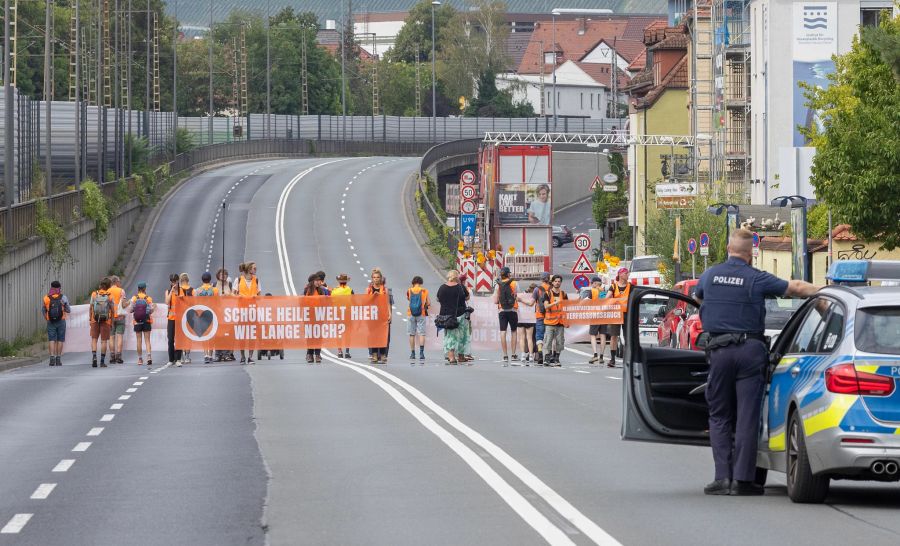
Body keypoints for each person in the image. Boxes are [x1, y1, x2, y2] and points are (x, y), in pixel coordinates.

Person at [696, 229, 819, 496]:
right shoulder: (756, 277)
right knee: (747, 417)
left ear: (728, 248)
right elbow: (796, 288)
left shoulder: (709, 275)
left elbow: (698, 297)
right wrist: (824, 293)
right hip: (750, 351)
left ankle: (721, 479)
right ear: (751, 254)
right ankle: (742, 480)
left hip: (719, 351)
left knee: (719, 415)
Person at [493, 266, 528, 365]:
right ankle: (513, 354)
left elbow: (495, 301)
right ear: (509, 274)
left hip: (502, 311)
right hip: (513, 310)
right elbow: (516, 296)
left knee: (503, 332)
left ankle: (505, 355)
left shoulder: (497, 285)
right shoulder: (514, 283)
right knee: (513, 331)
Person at [437, 270, 469, 364]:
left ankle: (450, 355)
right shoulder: (459, 287)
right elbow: (466, 297)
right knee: (461, 336)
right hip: (458, 314)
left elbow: (438, 298)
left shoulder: (442, 287)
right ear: (456, 277)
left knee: (449, 335)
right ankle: (458, 356)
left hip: (445, 316)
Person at [604, 267, 631, 368]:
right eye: (626, 273)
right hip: (616, 314)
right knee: (614, 336)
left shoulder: (631, 286)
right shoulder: (613, 286)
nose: (628, 275)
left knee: (627, 337)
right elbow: (607, 298)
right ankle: (612, 359)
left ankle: (628, 358)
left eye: (628, 274)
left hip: (627, 314)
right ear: (620, 275)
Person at [124, 281, 155, 367]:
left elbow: (130, 310)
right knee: (147, 340)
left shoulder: (134, 298)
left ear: (138, 289)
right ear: (145, 289)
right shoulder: (148, 298)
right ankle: (149, 357)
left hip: (137, 321)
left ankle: (140, 359)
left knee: (139, 340)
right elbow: (151, 310)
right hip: (146, 321)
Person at [236, 262, 261, 364]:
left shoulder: (257, 280)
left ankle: (250, 357)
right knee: (242, 334)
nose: (256, 270)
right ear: (249, 269)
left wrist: (256, 297)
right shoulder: (238, 280)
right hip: (241, 311)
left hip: (253, 311)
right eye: (254, 268)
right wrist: (239, 297)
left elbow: (260, 295)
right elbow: (233, 294)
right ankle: (242, 356)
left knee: (252, 335)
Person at [541, 274, 568, 366]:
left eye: (559, 281)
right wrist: (555, 302)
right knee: (548, 341)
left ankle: (556, 358)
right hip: (549, 322)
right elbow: (546, 306)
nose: (557, 283)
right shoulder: (547, 293)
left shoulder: (563, 294)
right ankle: (547, 358)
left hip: (560, 322)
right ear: (552, 282)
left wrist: (566, 321)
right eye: (555, 281)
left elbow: (566, 308)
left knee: (560, 342)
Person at [43, 280, 71, 366]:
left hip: (50, 321)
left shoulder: (46, 298)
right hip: (61, 321)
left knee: (51, 339)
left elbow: (44, 310)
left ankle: (52, 358)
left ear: (51, 287)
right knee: (60, 339)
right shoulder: (63, 297)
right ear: (59, 288)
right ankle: (58, 359)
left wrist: (47, 318)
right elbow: (68, 310)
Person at [89, 277, 115, 368]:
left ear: (100, 285)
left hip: (94, 319)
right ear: (108, 286)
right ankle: (102, 361)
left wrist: (90, 319)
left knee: (94, 339)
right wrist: (111, 322)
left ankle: (94, 357)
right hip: (106, 321)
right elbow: (112, 310)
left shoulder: (94, 294)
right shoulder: (110, 296)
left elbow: (90, 308)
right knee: (104, 341)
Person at [582, 276, 609, 364]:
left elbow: (586, 302)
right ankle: (601, 356)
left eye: (592, 283)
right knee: (603, 335)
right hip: (604, 316)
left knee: (593, 335)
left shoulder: (592, 291)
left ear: (594, 283)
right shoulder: (605, 291)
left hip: (594, 315)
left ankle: (595, 355)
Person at [367, 268, 391, 364]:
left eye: (377, 277)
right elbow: (366, 301)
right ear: (372, 279)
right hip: (372, 316)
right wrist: (373, 296)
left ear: (381, 278)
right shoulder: (369, 289)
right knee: (373, 335)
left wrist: (389, 314)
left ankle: (382, 354)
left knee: (383, 335)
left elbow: (387, 302)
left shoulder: (385, 290)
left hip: (382, 315)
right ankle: (374, 354)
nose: (376, 279)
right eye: (374, 277)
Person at [196, 272, 219, 364]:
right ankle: (210, 354)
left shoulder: (197, 290)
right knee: (212, 335)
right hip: (212, 314)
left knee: (204, 334)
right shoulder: (215, 290)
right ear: (210, 279)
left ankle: (205, 354)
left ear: (202, 280)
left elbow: (195, 303)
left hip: (202, 314)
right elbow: (218, 302)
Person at [303, 274, 327, 363]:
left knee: (318, 335)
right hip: (309, 315)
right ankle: (309, 354)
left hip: (319, 315)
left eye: (319, 280)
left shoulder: (321, 290)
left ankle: (317, 354)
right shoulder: (307, 290)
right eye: (316, 280)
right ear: (312, 281)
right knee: (310, 335)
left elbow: (324, 302)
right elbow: (303, 302)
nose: (318, 282)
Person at [406, 276, 430, 361]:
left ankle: (412, 353)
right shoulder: (424, 291)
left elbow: (409, 299)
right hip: (421, 313)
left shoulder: (409, 290)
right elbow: (428, 303)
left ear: (413, 282)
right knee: (421, 334)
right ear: (421, 282)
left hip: (410, 313)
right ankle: (421, 353)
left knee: (412, 334)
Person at [331, 274, 354, 359]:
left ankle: (340, 351)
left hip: (338, 314)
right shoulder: (350, 290)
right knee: (348, 333)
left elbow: (331, 301)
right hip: (347, 314)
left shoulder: (334, 291)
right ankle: (347, 351)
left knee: (339, 333)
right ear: (346, 281)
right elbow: (354, 301)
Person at [214, 268, 235, 362]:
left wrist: (228, 295)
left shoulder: (230, 284)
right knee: (218, 335)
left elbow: (234, 296)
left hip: (227, 313)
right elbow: (210, 299)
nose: (224, 276)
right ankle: (218, 354)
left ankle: (227, 354)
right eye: (222, 274)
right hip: (217, 313)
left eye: (225, 274)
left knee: (227, 334)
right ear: (218, 275)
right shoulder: (214, 285)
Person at [532, 272, 551, 365]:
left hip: (539, 315)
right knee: (549, 335)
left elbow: (531, 302)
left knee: (539, 335)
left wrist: (520, 300)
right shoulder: (552, 289)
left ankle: (540, 351)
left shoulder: (537, 289)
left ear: (541, 279)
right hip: (550, 316)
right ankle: (549, 355)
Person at [518, 283, 538, 365]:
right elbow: (532, 304)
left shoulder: (521, 295)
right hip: (531, 318)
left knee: (522, 338)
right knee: (530, 338)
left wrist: (520, 300)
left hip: (521, 317)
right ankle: (530, 355)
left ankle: (523, 355)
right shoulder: (535, 296)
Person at [108, 275, 126, 364]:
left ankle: (112, 356)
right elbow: (123, 305)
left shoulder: (107, 291)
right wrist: (128, 303)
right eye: (119, 281)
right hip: (120, 317)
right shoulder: (121, 291)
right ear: (116, 282)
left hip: (110, 317)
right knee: (120, 336)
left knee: (111, 337)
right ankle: (119, 356)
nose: (120, 283)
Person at [165, 273, 180, 367]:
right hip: (171, 318)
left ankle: (178, 358)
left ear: (178, 281)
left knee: (179, 340)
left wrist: (176, 292)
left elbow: (184, 301)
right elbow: (167, 301)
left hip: (179, 318)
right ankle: (171, 359)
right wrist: (171, 292)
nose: (173, 283)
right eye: (172, 281)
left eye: (175, 281)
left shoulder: (182, 291)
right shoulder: (168, 291)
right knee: (170, 339)